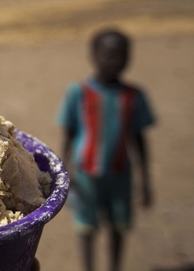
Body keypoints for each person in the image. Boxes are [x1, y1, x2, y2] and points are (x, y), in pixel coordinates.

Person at [56, 29, 154, 271]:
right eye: (109, 55)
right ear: (93, 56)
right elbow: (68, 134)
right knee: (86, 227)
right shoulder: (77, 93)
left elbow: (139, 139)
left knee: (119, 226)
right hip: (86, 176)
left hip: (120, 174)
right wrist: (64, 170)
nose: (116, 61)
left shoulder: (133, 96)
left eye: (122, 55)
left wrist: (145, 181)